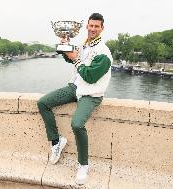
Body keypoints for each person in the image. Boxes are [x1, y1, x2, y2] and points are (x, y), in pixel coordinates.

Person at [37, 13, 112, 185]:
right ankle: (56, 141)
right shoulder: (84, 44)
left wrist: (75, 58)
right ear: (86, 26)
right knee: (43, 103)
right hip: (75, 88)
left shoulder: (104, 53)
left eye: (96, 26)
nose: (93, 29)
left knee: (77, 124)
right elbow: (71, 59)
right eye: (90, 25)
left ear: (102, 28)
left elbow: (90, 77)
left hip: (91, 93)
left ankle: (83, 165)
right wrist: (66, 47)